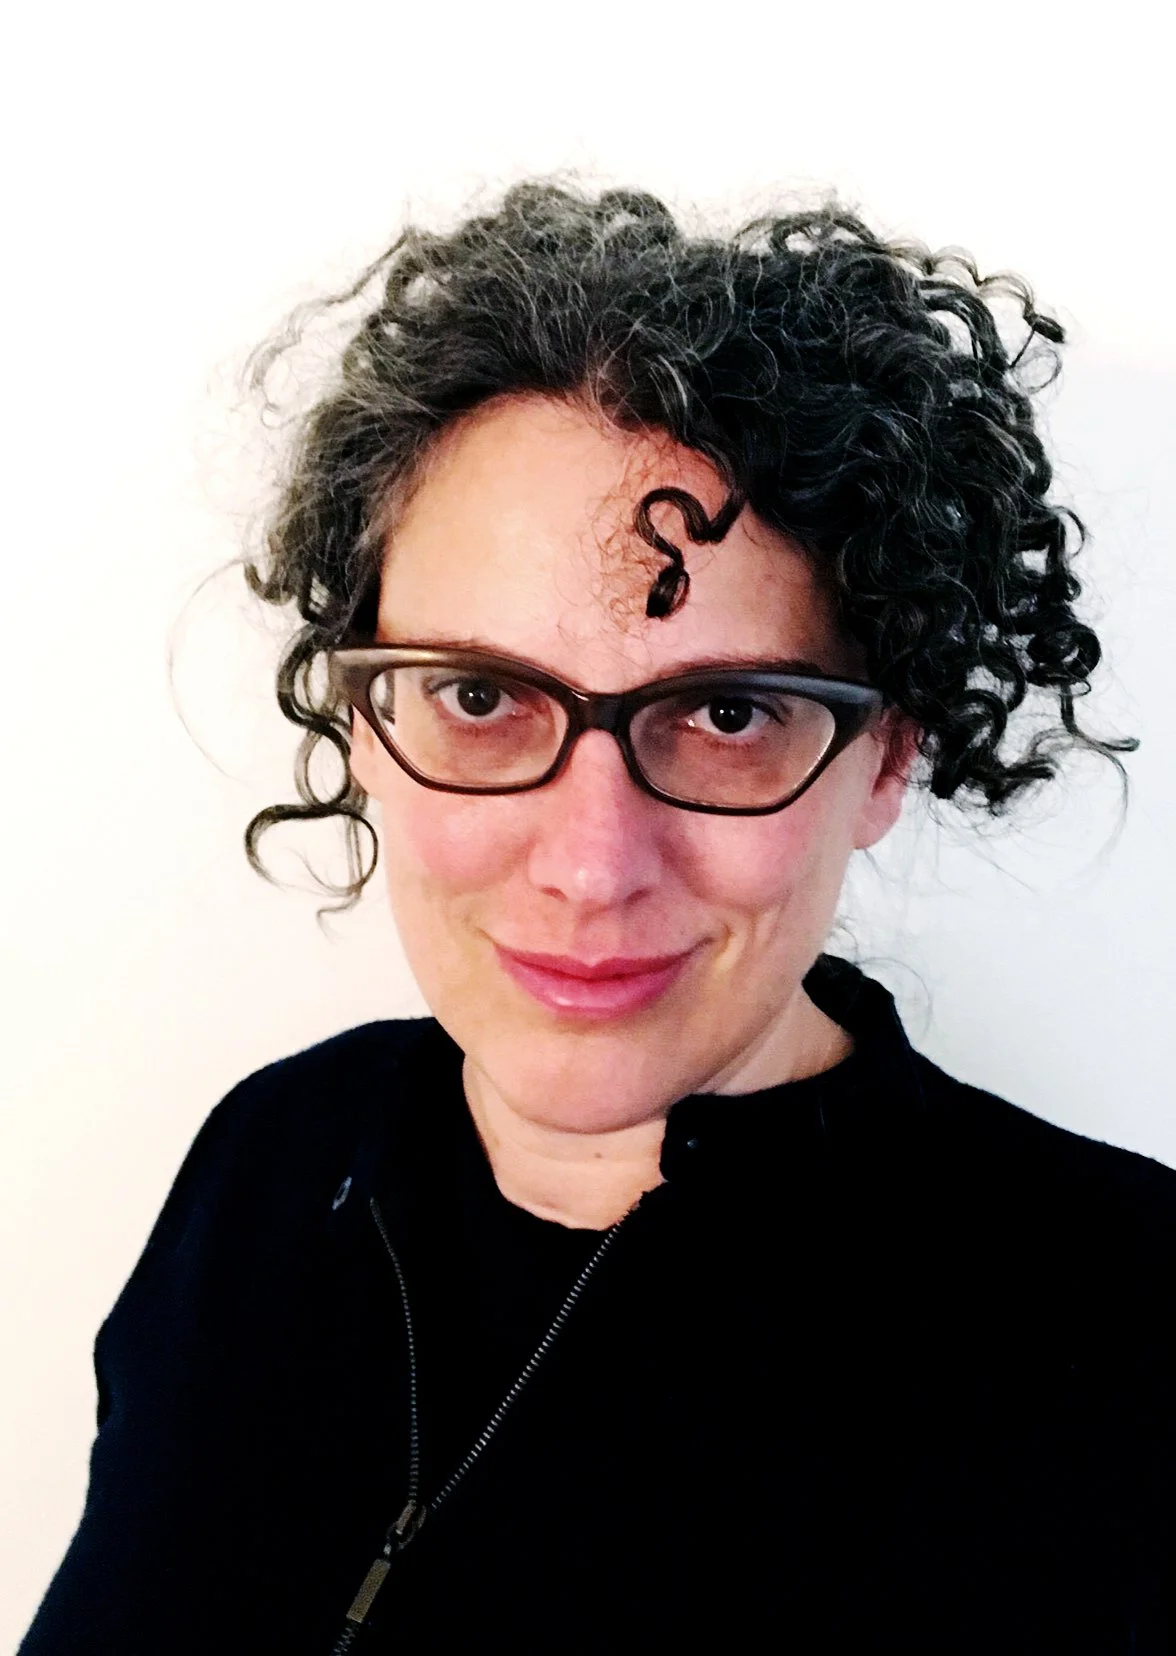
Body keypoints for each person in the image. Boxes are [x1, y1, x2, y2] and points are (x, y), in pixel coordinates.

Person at [19, 181, 1173, 1656]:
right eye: (482, 698)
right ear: (364, 721)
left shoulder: (1131, 1333)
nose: (589, 863)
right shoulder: (273, 1159)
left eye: (728, 712)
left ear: (887, 755)